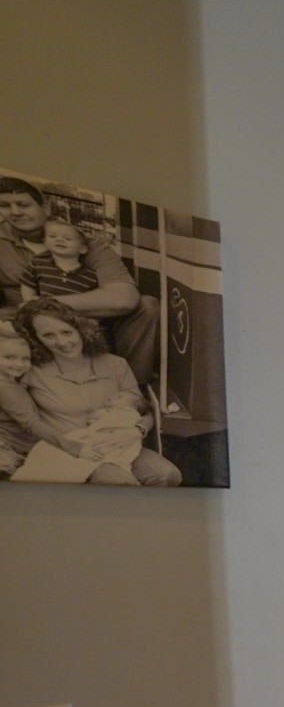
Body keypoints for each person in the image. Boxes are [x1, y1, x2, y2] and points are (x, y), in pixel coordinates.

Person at [0, 176, 158, 389]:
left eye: (23, 204)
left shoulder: (85, 243)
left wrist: (45, 304)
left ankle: (130, 389)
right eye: (4, 205)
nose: (15, 212)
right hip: (20, 323)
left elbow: (124, 298)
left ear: (45, 207)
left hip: (82, 320)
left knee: (146, 306)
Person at [10, 298, 180, 486]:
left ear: (80, 329)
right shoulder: (32, 371)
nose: (62, 342)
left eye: (67, 332)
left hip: (123, 443)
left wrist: (135, 431)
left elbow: (144, 411)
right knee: (119, 482)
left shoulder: (115, 364)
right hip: (73, 449)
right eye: (48, 335)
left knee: (168, 474)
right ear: (36, 339)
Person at [25, 221, 101, 299]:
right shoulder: (38, 263)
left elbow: (93, 299)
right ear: (45, 242)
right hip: (44, 309)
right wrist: (29, 301)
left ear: (82, 249)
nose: (59, 240)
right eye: (52, 236)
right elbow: (27, 284)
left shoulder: (90, 275)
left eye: (68, 238)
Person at [0, 330, 37, 478]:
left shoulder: (14, 384)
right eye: (10, 357)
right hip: (6, 451)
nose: (19, 364)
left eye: (25, 359)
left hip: (20, 451)